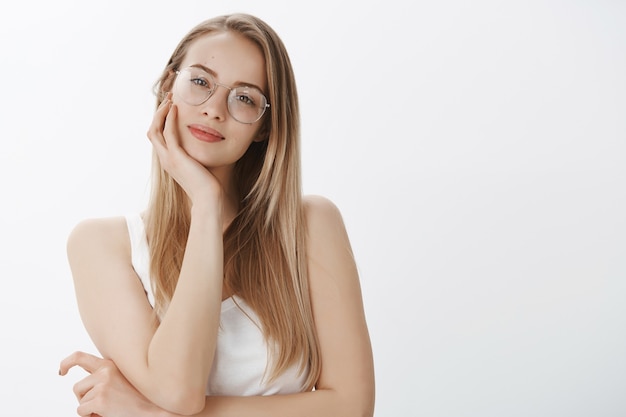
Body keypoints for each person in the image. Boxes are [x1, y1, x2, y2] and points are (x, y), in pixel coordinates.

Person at [59, 12, 375, 417]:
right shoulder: (101, 245)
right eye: (200, 82)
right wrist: (205, 205)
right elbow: (179, 392)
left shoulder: (311, 225)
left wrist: (148, 412)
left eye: (244, 97)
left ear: (264, 126)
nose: (213, 109)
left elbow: (352, 406)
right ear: (168, 87)